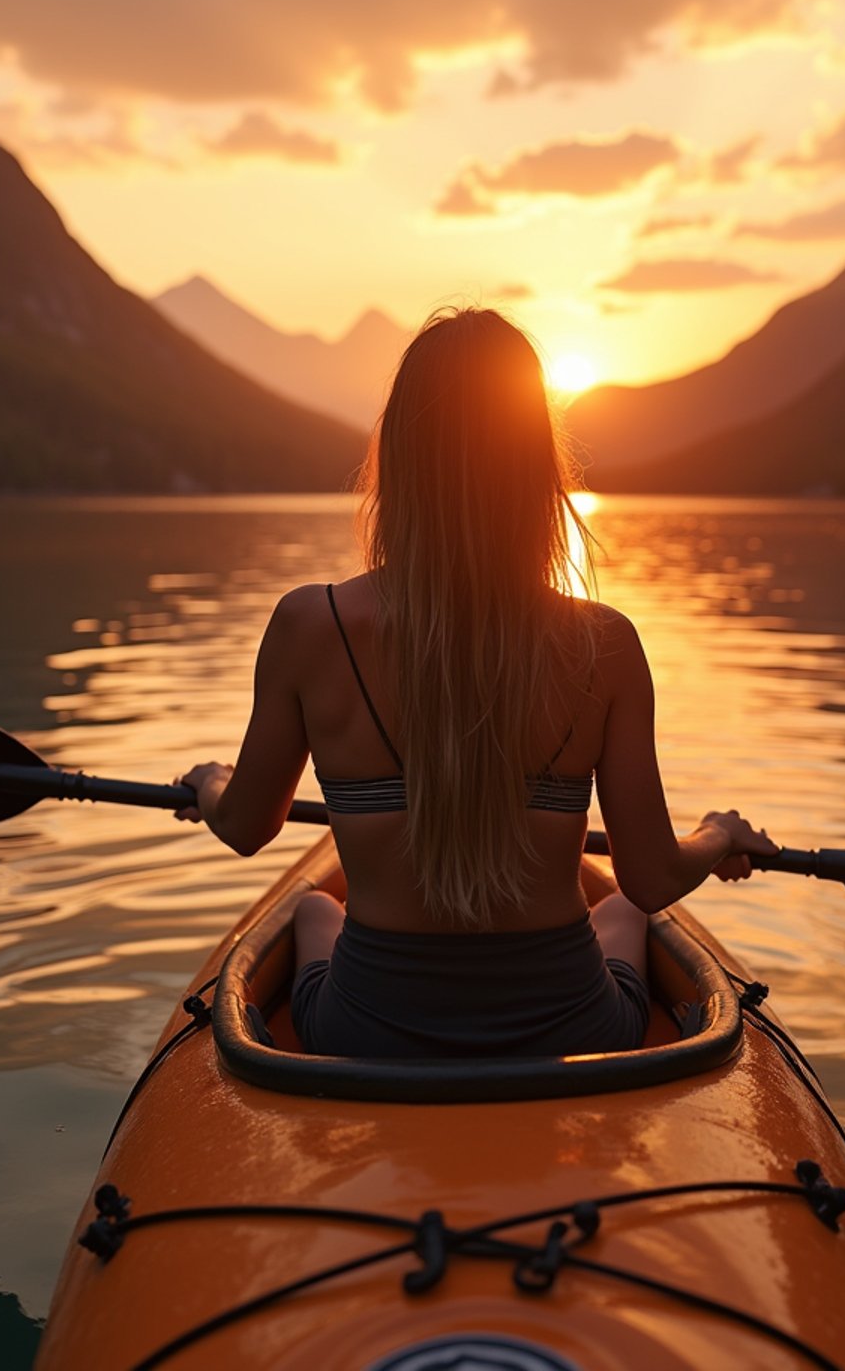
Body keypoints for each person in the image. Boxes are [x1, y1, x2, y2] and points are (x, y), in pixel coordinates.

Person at [175, 307, 778, 1058]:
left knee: (309, 912)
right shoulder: (605, 644)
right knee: (623, 911)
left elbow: (243, 826)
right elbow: (651, 878)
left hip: (368, 1031)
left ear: (398, 457)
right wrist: (718, 833)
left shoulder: (310, 624)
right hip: (570, 1026)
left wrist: (209, 783)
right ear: (535, 468)